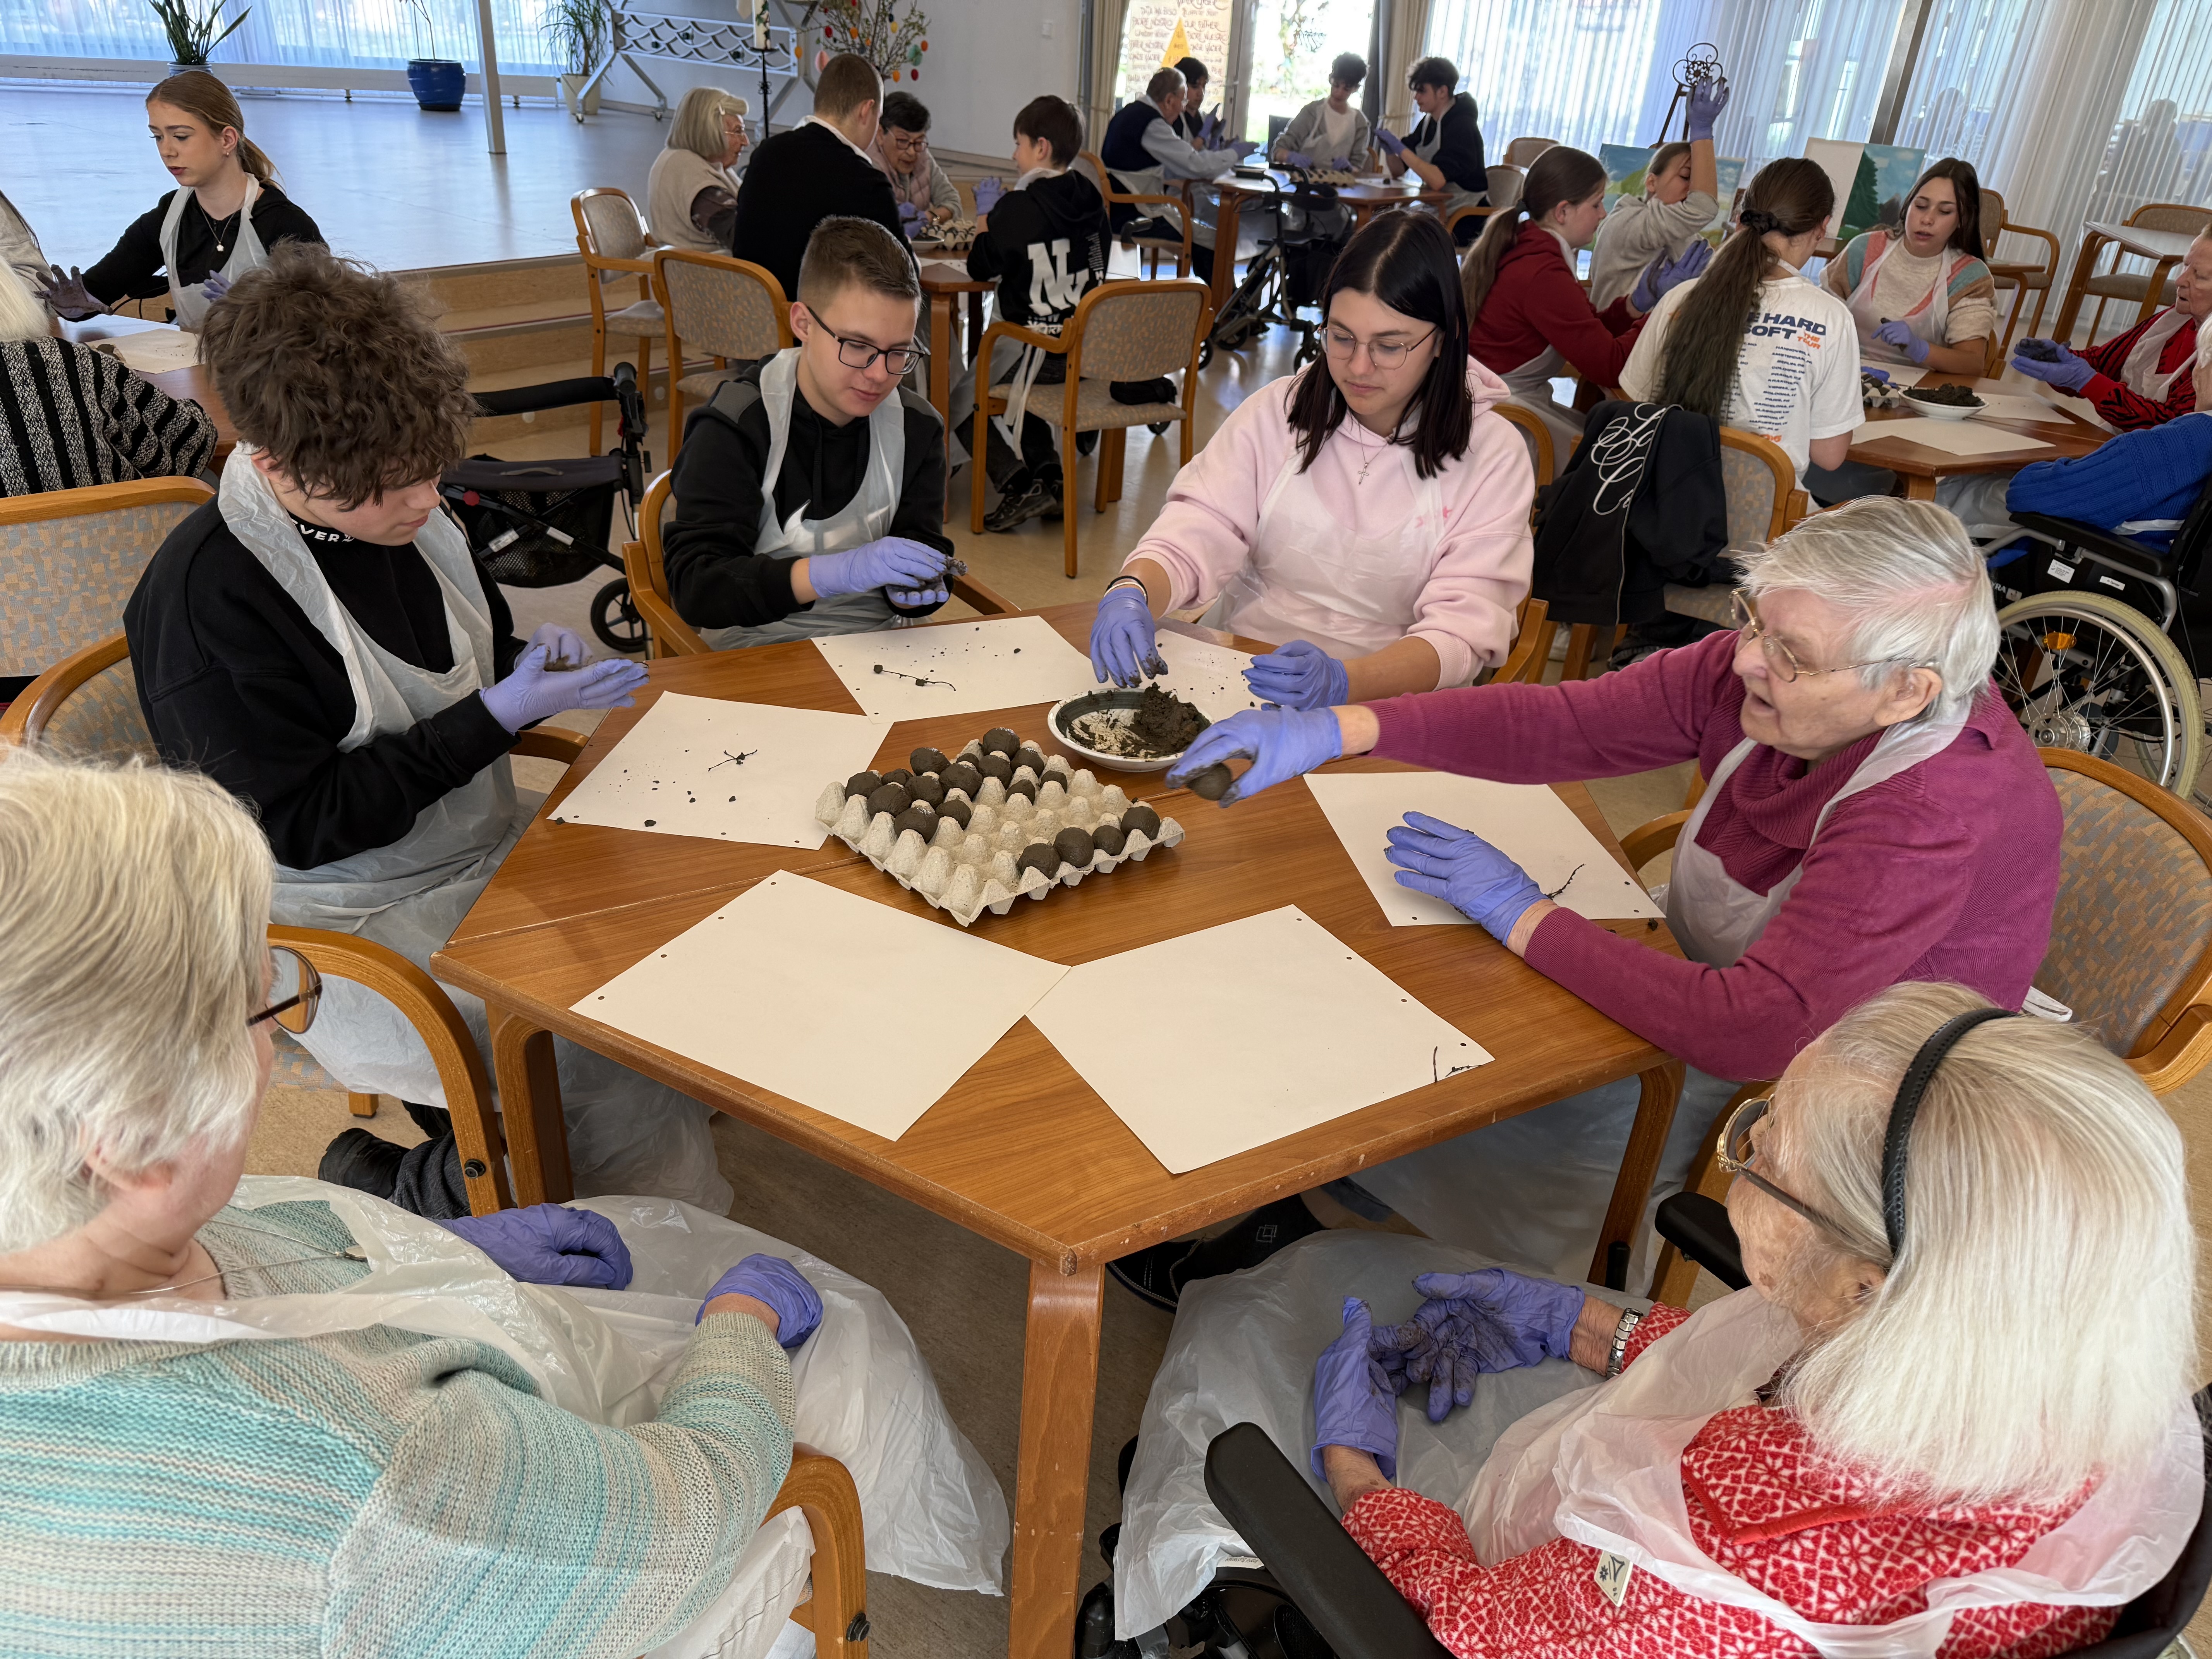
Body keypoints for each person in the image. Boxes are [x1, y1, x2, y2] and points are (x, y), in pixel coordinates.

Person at [0, 749, 1012, 1655]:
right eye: (259, 1004)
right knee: (844, 1357)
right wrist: (739, 1334)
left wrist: (433, 1245)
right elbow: (682, 1521)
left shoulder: (65, 1221)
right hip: (581, 1566)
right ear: (133, 1137)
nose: (278, 1038)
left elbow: (230, 1240)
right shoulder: (371, 1486)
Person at [1108, 982, 2201, 1650]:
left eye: (1762, 1156)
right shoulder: (2065, 1363)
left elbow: (1465, 1621)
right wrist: (1584, 1325)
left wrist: (1356, 1471)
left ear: (1866, 1287)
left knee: (1272, 1314)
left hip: (1543, 1604)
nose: (1741, 1157)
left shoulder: (1701, 1591)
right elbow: (1788, 1387)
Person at [1154, 497, 2061, 1288]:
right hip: (1732, 973)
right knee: (1447, 1004)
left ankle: (1511, 1264)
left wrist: (1525, 915)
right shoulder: (1766, 673)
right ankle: (1336, 1196)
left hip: (1846, 1070)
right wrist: (1345, 727)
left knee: (1521, 1097)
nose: (1748, 661)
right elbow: (1564, 723)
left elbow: (1756, 1028)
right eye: (1754, 622)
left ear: (1907, 691)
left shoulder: (1929, 807)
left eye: (1791, 654)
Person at [122, 243, 732, 1222]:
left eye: (426, 471)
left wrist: (537, 670)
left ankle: (522, 1152)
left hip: (472, 846)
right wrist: (494, 718)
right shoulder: (207, 602)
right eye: (381, 489)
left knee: (686, 921)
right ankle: (439, 1191)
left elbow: (470, 656)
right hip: (345, 918)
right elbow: (300, 826)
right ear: (273, 463)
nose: (421, 502)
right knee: (603, 1043)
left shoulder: (413, 512)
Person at [1090, 212, 1531, 713]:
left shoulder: (1493, 456)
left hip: (1394, 705)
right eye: (1341, 337)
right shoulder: (1280, 412)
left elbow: (1462, 632)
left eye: (1389, 346)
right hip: (1243, 674)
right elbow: (1201, 525)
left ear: (1444, 338)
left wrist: (1347, 684)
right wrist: (1134, 587)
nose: (1360, 367)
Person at [662, 216, 956, 646]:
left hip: (880, 643)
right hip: (755, 649)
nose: (879, 375)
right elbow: (697, 587)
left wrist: (916, 592)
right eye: (857, 346)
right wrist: (834, 573)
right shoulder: (737, 425)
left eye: (899, 352)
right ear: (803, 323)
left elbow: (922, 543)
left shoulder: (917, 428)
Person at [1618, 156, 1861, 485]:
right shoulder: (1831, 317)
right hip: (1766, 523)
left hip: (1664, 509)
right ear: (1822, 228)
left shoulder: (1682, 297)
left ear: (1742, 216)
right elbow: (1829, 457)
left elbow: (1636, 404)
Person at [1463, 144, 1707, 456]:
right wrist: (1665, 308)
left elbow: (1589, 329)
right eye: (1596, 204)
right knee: (1609, 465)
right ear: (1563, 212)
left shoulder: (1530, 243)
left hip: (1501, 402)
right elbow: (1608, 367)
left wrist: (1636, 304)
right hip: (1502, 419)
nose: (1604, 213)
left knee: (1597, 443)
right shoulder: (1543, 272)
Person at [40, 70, 320, 331]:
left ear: (227, 140)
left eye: (181, 137)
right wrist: (71, 307)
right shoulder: (168, 217)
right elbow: (96, 292)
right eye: (158, 137)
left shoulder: (285, 224)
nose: (167, 151)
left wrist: (263, 313)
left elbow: (330, 323)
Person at [954, 94, 1109, 532]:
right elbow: (1098, 262)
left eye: (1018, 144)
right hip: (1081, 353)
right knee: (1028, 389)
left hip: (1033, 354)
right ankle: (1050, 480)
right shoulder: (1091, 199)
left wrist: (986, 215)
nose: (1013, 155)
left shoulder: (1018, 208)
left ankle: (1017, 482)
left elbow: (980, 265)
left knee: (963, 400)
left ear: (1041, 147)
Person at [0, 259, 215, 500]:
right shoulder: (66, 361)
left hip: (18, 537)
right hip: (125, 534)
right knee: (209, 481)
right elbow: (190, 438)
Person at [728, 52, 907, 302]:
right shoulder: (866, 182)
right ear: (867, 111)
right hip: (817, 333)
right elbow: (904, 278)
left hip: (754, 320)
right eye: (879, 119)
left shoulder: (765, 154)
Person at [2009, 227, 2212, 430]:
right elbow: (2103, 362)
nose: (2179, 281)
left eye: (2199, 276)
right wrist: (2061, 359)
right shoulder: (2175, 320)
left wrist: (2085, 380)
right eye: (2185, 266)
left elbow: (2168, 425)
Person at [1819, 157, 1998, 375]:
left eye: (1945, 212)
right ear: (1908, 205)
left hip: (1919, 392)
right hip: (1840, 374)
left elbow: (1972, 363)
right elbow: (1818, 316)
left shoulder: (1969, 277)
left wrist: (1920, 349)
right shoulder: (1865, 249)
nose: (1928, 219)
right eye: (1921, 206)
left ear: (1963, 219)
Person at [1586, 76, 1731, 311]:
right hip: (1620, 341)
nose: (1694, 190)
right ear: (1652, 182)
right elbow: (1703, 207)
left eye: (1698, 183)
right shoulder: (1628, 223)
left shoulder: (1680, 233)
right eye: (1686, 177)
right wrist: (1702, 131)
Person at [1097, 65, 1253, 282]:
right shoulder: (1152, 124)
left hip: (1119, 206)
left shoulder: (1127, 114)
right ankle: (1224, 306)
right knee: (1212, 239)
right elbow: (1194, 164)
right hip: (1135, 211)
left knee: (1202, 232)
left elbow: (1153, 166)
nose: (1183, 109)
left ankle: (1221, 302)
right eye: (1182, 101)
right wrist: (1233, 154)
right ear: (1169, 100)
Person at [1271, 52, 1374, 264]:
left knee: (1334, 248)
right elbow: (1278, 150)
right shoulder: (1312, 113)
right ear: (1331, 78)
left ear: (1355, 88)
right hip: (1304, 196)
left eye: (1346, 88)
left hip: (1338, 201)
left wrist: (1351, 168)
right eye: (1336, 84)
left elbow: (1359, 168)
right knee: (1300, 245)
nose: (1338, 92)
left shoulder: (1360, 123)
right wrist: (1291, 156)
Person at [1376, 57, 1487, 232]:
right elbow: (1398, 171)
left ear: (1442, 91)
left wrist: (1401, 149)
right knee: (1384, 223)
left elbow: (1436, 181)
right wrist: (1391, 151)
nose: (1416, 97)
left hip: (1467, 217)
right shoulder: (1428, 123)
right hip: (1439, 209)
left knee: (1395, 231)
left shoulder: (1462, 126)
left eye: (1422, 91)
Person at [646, 85, 748, 257]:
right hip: (699, 275)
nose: (745, 141)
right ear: (711, 131)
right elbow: (743, 238)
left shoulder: (705, 163)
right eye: (738, 132)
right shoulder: (690, 174)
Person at [868, 90, 961, 235]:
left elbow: (953, 202)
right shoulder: (868, 164)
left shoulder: (923, 156)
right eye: (903, 141)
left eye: (919, 141)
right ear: (880, 135)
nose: (912, 152)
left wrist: (931, 217)